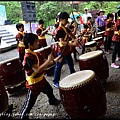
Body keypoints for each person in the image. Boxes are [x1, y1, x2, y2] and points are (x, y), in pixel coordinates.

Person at [19, 33, 62, 119]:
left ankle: (52, 100)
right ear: (29, 45)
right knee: (29, 103)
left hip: (41, 79)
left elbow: (45, 63)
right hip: (33, 84)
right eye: (36, 42)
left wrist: (55, 60)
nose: (38, 43)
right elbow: (38, 70)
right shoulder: (28, 57)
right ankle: (22, 116)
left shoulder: (35, 54)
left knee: (49, 90)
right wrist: (49, 60)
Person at [52, 12, 79, 88]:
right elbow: (62, 42)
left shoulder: (65, 28)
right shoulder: (59, 30)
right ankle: (55, 81)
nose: (67, 21)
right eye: (66, 19)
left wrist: (76, 27)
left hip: (66, 49)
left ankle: (73, 75)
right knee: (59, 66)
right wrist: (73, 44)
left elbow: (72, 35)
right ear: (61, 19)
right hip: (61, 50)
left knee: (70, 63)